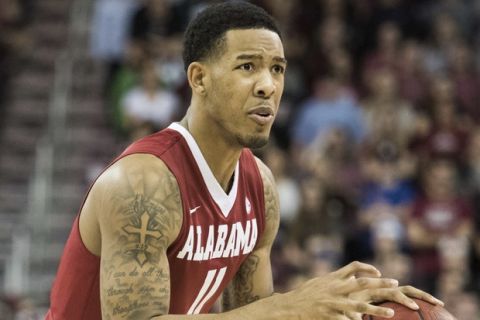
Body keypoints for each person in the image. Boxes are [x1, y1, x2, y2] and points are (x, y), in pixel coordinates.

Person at [46, 2, 443, 319]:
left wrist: (340, 306)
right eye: (247, 66)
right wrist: (289, 306)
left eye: (277, 69)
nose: (268, 86)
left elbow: (252, 315)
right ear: (199, 79)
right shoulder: (143, 182)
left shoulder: (260, 186)